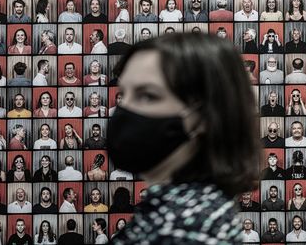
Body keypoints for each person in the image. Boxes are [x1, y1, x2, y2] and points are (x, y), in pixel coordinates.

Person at [108, 33, 259, 244]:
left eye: (148, 96)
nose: (123, 110)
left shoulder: (189, 229)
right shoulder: (176, 208)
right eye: (123, 94)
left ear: (205, 114)